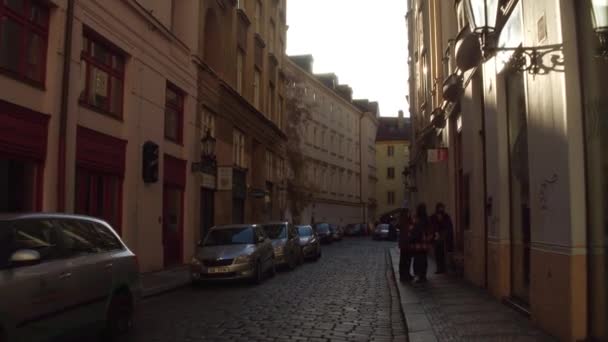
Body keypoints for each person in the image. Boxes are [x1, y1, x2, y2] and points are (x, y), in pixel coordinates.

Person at [409, 203, 432, 283]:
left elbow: (414, 230)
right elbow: (429, 230)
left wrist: (411, 236)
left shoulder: (417, 219)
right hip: (425, 242)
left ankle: (418, 275)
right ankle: (423, 275)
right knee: (424, 259)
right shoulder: (427, 219)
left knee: (417, 259)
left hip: (418, 242)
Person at [430, 202, 454, 274]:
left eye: (442, 208)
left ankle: (443, 268)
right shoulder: (433, 217)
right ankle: (439, 268)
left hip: (444, 238)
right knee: (437, 254)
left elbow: (449, 227)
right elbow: (431, 226)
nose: (441, 209)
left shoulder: (446, 217)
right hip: (437, 237)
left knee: (443, 253)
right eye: (440, 208)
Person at [398, 208, 413, 281]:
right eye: (408, 212)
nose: (409, 213)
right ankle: (404, 275)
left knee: (405, 260)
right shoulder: (404, 222)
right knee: (405, 260)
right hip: (406, 244)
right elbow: (407, 232)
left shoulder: (404, 221)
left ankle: (406, 274)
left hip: (405, 244)